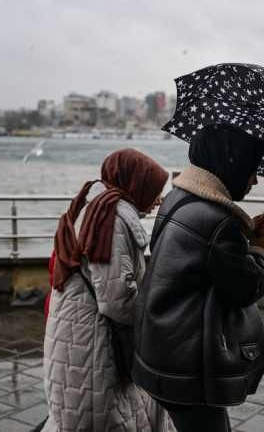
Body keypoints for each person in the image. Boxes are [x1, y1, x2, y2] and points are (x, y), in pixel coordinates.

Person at [132, 124, 264, 432]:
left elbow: (195, 258)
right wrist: (260, 252)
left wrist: (245, 233)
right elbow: (247, 288)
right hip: (189, 364)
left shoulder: (178, 199)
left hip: (161, 347)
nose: (255, 180)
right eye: (252, 170)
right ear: (231, 165)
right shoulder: (220, 223)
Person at [42, 149, 174, 432]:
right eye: (153, 190)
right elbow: (117, 300)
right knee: (98, 414)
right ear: (135, 183)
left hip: (76, 326)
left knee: (85, 412)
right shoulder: (111, 218)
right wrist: (156, 314)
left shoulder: (96, 205)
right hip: (94, 337)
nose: (158, 200)